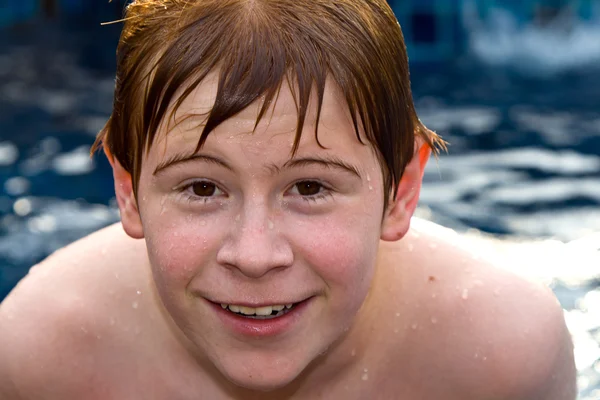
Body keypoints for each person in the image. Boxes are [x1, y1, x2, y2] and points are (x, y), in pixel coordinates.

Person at [0, 0, 577, 398]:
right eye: (202, 188)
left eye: (310, 187)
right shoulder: (43, 356)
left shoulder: (498, 357)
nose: (254, 255)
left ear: (402, 193)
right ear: (128, 191)